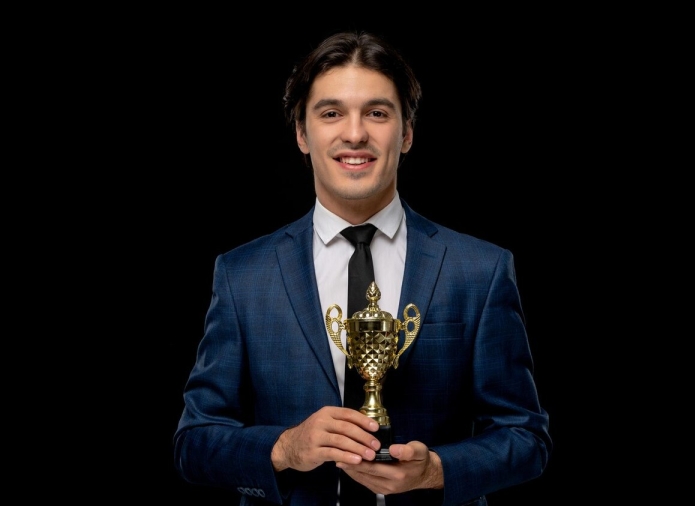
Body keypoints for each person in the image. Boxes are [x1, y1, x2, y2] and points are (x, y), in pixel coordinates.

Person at [173, 30, 552, 506]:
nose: (355, 134)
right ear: (301, 133)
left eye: (377, 112)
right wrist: (285, 448)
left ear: (407, 132)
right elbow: (194, 443)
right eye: (331, 113)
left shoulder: (480, 270)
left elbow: (526, 438)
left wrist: (437, 471)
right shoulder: (242, 275)